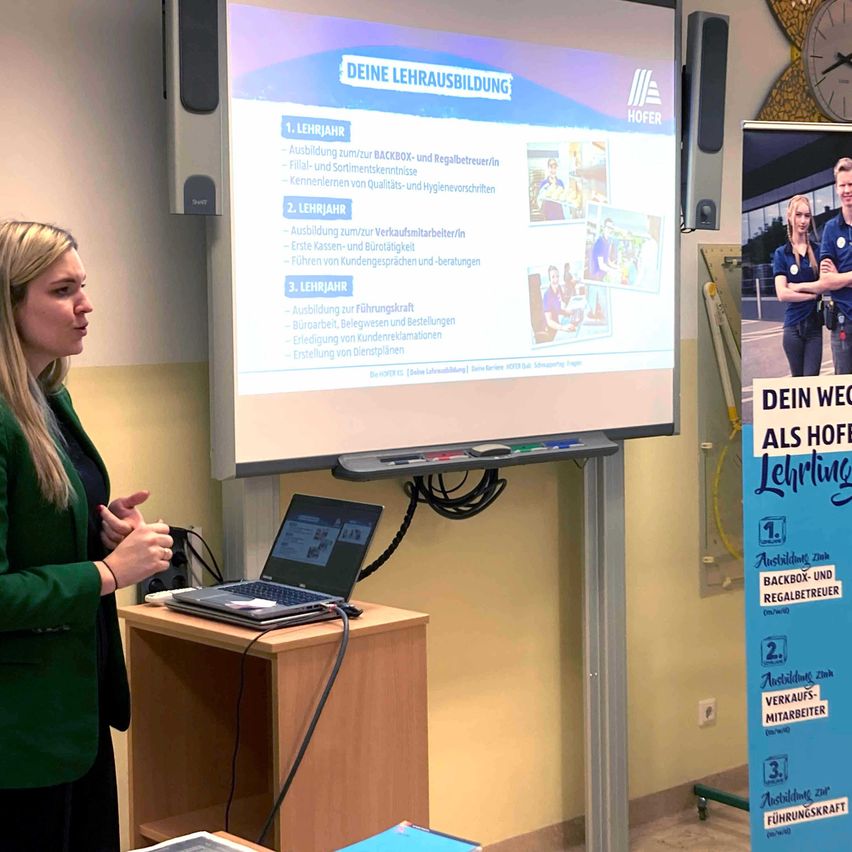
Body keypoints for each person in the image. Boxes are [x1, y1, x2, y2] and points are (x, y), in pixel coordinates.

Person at [0, 220, 174, 851]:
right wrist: (109, 573)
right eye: (62, 290)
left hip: (78, 706)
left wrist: (103, 534)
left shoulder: (50, 397)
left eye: (83, 286)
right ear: (9, 304)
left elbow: (39, 527)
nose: (86, 305)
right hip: (21, 730)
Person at [798, 158, 852, 373]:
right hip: (842, 320)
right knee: (843, 385)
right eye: (842, 185)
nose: (847, 190)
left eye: (851, 184)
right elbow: (826, 280)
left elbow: (834, 279)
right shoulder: (830, 229)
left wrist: (841, 278)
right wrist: (836, 279)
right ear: (836, 188)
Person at [771, 195, 822, 377]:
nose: (803, 221)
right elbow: (782, 293)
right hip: (792, 328)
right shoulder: (781, 253)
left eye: (807, 216)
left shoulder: (818, 251)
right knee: (797, 384)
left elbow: (824, 285)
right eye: (798, 215)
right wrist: (811, 295)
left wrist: (797, 287)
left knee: (811, 382)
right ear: (789, 217)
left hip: (814, 329)